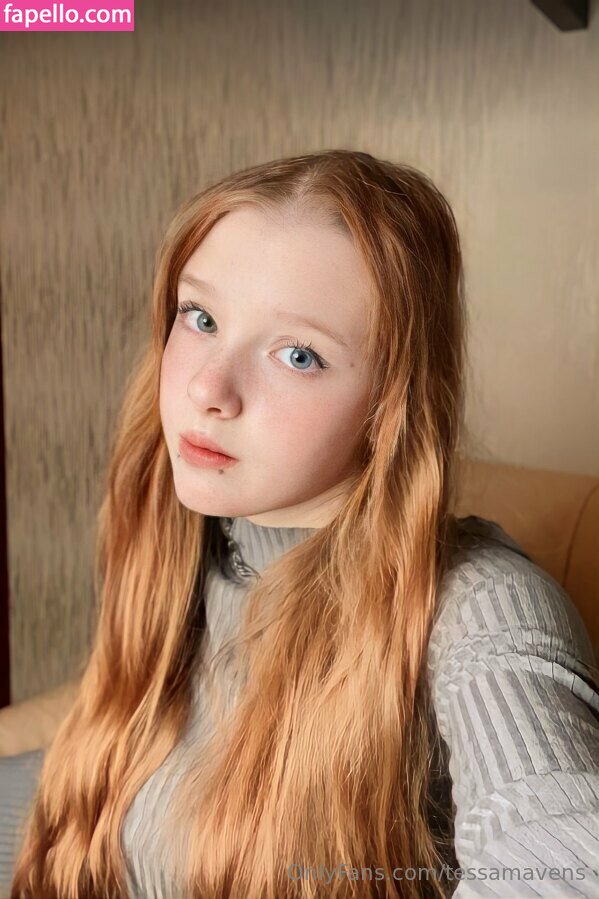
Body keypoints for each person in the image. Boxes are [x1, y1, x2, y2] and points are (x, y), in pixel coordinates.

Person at [2, 149, 598, 899]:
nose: (208, 387)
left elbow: (563, 865)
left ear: (391, 405)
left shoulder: (480, 604)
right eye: (201, 317)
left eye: (298, 354)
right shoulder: (189, 542)